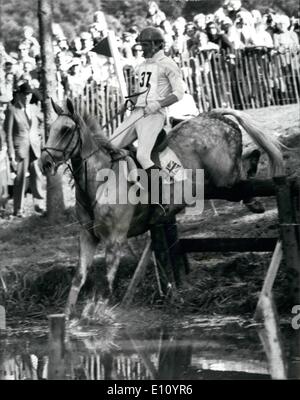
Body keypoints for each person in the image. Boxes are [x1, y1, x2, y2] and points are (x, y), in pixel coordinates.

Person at [109, 27, 185, 213]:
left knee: (143, 155)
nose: (142, 49)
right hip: (137, 113)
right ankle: (129, 185)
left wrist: (158, 104)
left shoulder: (168, 64)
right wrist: (130, 100)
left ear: (158, 44)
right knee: (109, 147)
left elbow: (179, 93)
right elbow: (143, 92)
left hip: (154, 114)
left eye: (145, 45)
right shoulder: (141, 65)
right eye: (141, 45)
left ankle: (161, 199)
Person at [4, 82, 45, 217]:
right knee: (20, 178)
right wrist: (11, 153)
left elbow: (41, 123)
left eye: (29, 94)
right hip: (20, 148)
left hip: (34, 147)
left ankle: (39, 205)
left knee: (37, 175)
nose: (28, 97)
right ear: (20, 95)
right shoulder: (12, 110)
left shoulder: (34, 108)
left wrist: (39, 136)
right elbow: (8, 133)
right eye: (25, 94)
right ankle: (19, 209)